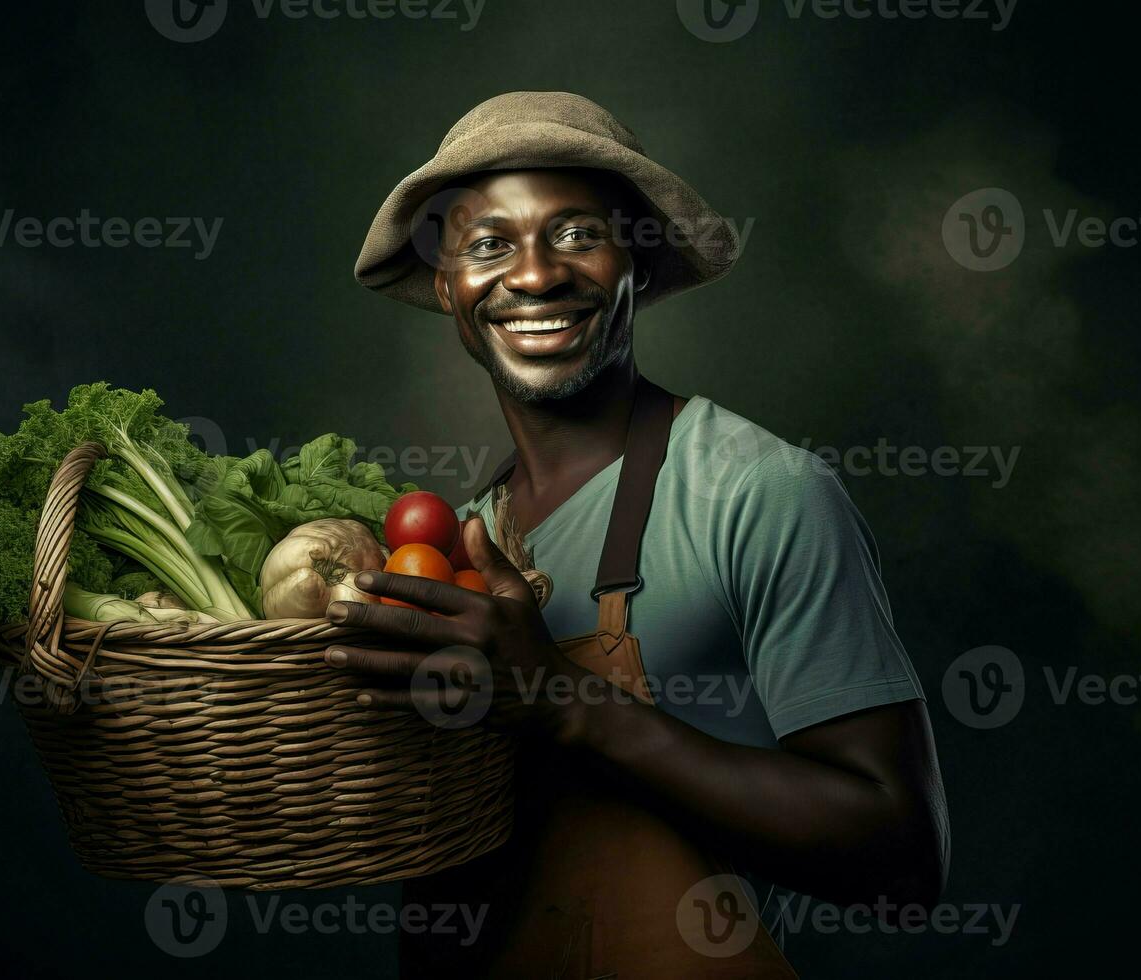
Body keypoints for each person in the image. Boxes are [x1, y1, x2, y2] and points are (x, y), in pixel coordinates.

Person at [323, 90, 950, 978]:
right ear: (446, 285)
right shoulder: (459, 544)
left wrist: (562, 702)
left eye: (578, 234)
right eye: (488, 244)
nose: (535, 276)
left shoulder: (759, 491)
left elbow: (901, 862)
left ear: (640, 265)